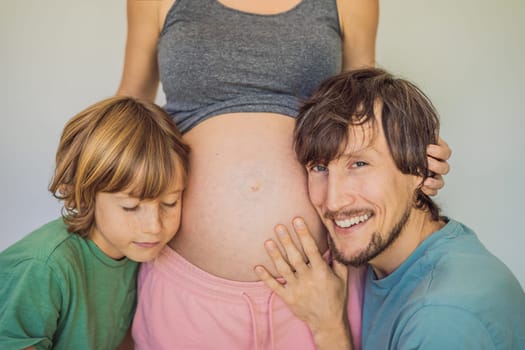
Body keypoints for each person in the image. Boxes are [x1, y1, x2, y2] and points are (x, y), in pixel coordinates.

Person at [117, 1, 450, 348]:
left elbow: (368, 109)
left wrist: (414, 154)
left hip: (318, 283)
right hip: (189, 285)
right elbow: (127, 109)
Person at [255, 67, 525, 350]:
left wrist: (329, 328)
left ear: (420, 169)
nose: (333, 201)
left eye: (359, 164)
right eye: (320, 168)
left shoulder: (441, 318)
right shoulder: (406, 258)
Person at [0, 96, 190, 349]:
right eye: (130, 207)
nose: (154, 226)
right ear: (86, 196)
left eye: (170, 203)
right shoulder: (44, 267)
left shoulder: (135, 253)